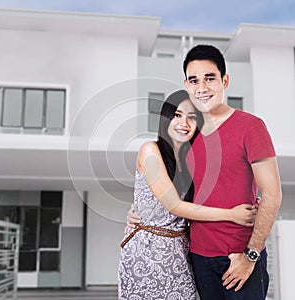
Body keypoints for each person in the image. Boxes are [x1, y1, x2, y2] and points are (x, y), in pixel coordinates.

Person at [118, 90, 257, 300]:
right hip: (147, 254)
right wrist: (232, 214)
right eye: (177, 115)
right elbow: (174, 206)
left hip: (180, 253)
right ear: (165, 118)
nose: (184, 123)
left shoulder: (190, 161)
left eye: (192, 117)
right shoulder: (150, 150)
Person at [182, 44, 282, 299]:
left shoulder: (251, 127)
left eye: (210, 78)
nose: (201, 87)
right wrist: (138, 212)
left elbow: (272, 195)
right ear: (186, 85)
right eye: (194, 80)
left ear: (225, 81)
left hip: (239, 256)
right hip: (198, 256)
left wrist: (250, 257)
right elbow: (176, 192)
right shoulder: (186, 134)